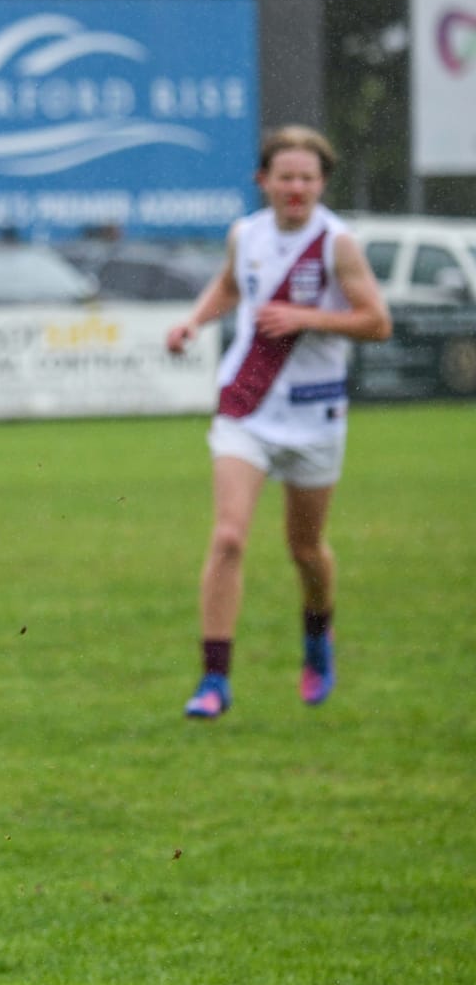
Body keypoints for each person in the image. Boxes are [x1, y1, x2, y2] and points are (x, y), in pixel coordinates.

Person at [166, 124, 391, 719]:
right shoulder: (246, 233)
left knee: (306, 549)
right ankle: (214, 680)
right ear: (263, 181)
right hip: (247, 408)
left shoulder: (338, 243)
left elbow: (377, 322)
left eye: (307, 178)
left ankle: (318, 639)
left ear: (321, 184)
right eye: (285, 176)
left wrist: (306, 316)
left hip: (315, 415)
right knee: (229, 536)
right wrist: (193, 322)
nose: (296, 187)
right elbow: (228, 285)